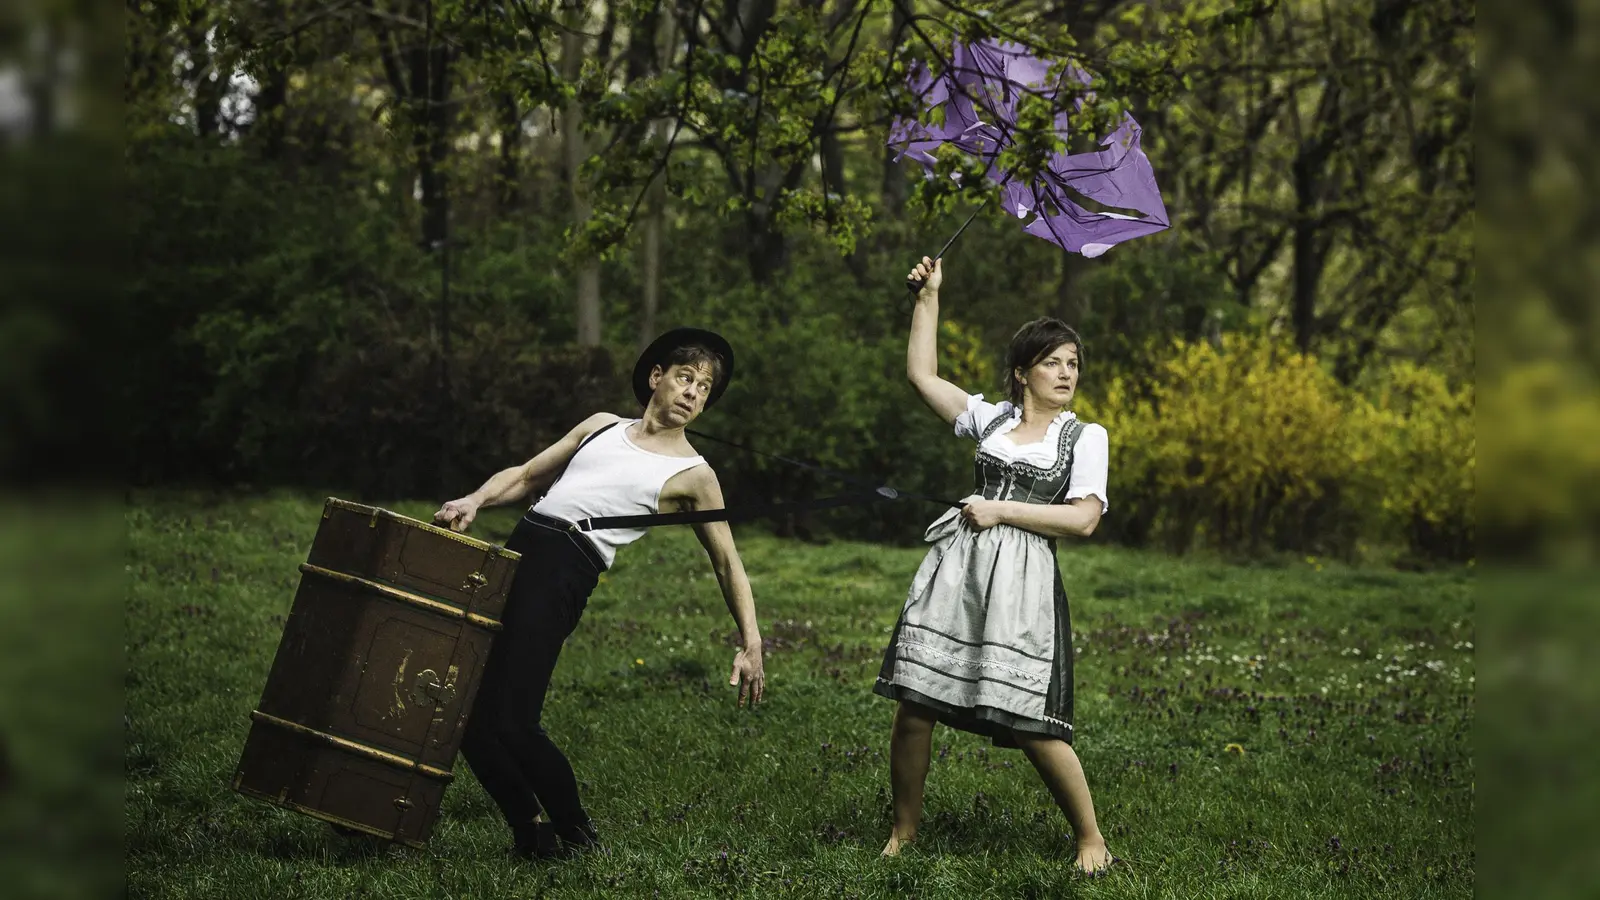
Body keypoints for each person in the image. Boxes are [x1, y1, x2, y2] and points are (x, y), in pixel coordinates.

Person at [431, 327, 766, 860]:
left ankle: (579, 836)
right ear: (656, 377)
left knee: (514, 722)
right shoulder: (601, 426)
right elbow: (527, 476)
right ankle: (531, 835)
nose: (693, 393)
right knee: (468, 715)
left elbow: (727, 561)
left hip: (564, 571)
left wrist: (752, 642)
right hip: (519, 552)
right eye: (685, 378)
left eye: (704, 388)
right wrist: (475, 500)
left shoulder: (694, 475)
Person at [873, 257, 1115, 874]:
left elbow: (1084, 520)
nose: (1067, 373)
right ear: (1022, 372)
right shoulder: (995, 420)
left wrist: (1000, 509)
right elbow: (922, 375)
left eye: (1073, 363)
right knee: (916, 703)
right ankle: (904, 833)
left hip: (1023, 583)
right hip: (958, 571)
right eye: (1053, 362)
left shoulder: (1085, 437)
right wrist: (928, 297)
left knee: (1030, 719)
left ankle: (1091, 838)